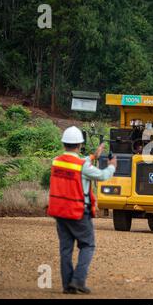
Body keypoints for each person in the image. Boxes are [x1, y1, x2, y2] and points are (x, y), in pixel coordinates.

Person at [47, 126, 117, 294]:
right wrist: (112, 166)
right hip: (78, 212)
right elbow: (102, 176)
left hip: (59, 212)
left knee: (66, 249)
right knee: (87, 245)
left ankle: (67, 285)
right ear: (79, 145)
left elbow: (77, 163)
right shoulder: (82, 166)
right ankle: (78, 280)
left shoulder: (56, 161)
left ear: (64, 143)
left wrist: (94, 155)